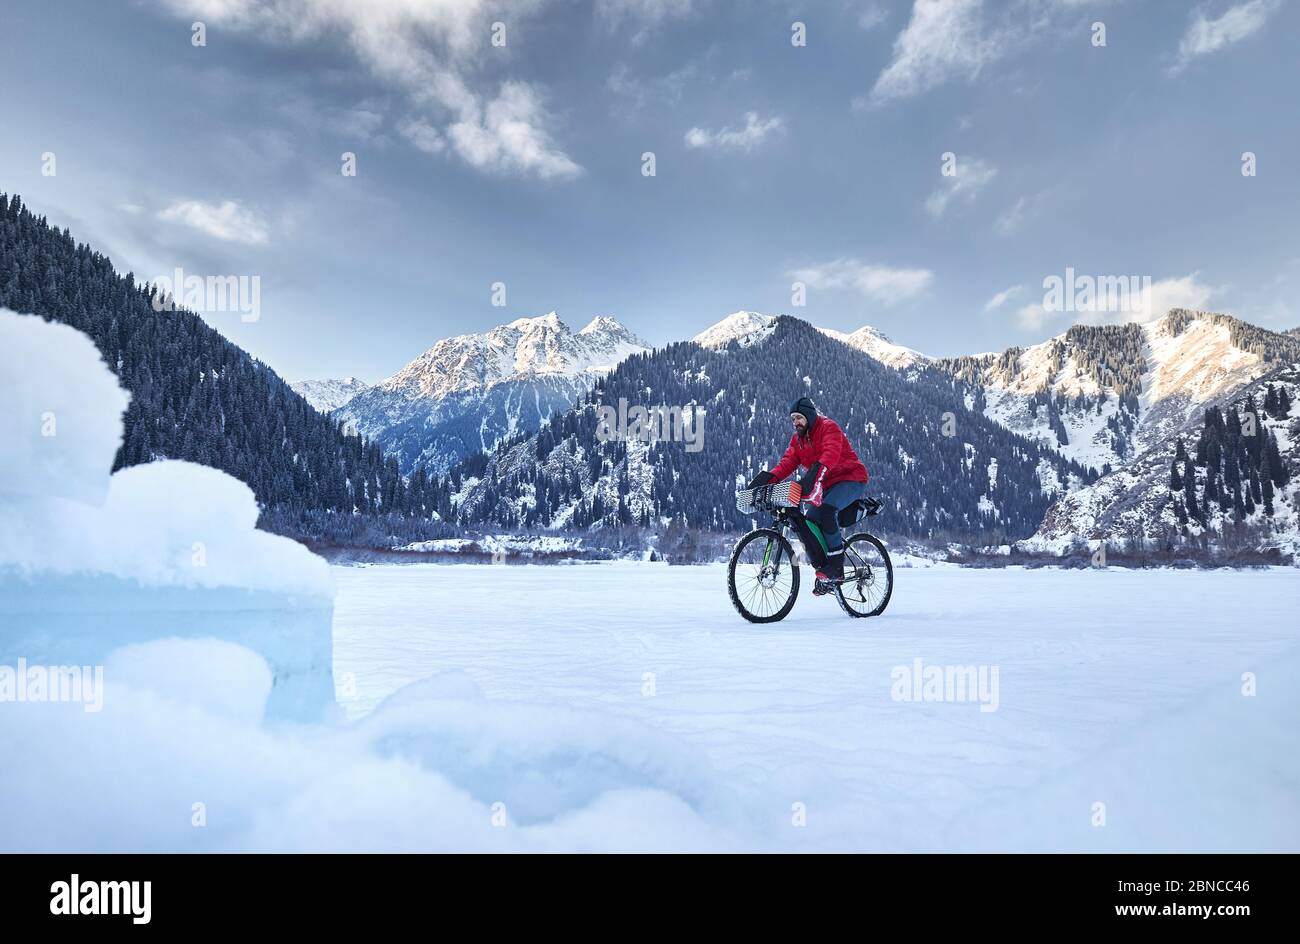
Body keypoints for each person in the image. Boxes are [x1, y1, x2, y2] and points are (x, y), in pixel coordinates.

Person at [747, 397, 869, 595]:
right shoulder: (798, 440)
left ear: (810, 416)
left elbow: (830, 454)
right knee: (810, 521)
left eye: (799, 418)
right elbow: (787, 462)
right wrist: (767, 478)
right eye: (793, 419)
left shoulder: (829, 428)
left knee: (828, 510)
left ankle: (836, 567)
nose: (795, 423)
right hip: (827, 485)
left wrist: (814, 475)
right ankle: (824, 569)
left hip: (851, 479)